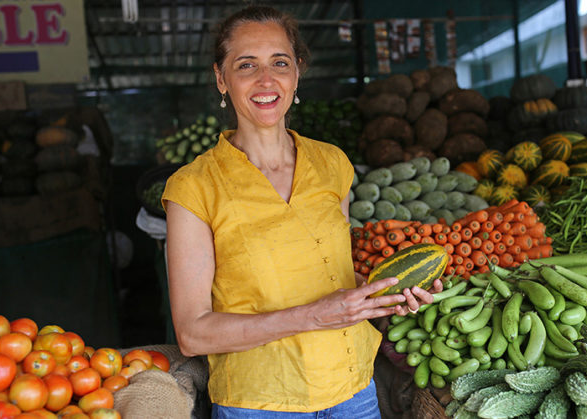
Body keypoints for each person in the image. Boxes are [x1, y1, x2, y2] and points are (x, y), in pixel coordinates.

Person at [162, 6, 441, 418]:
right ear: (221, 78)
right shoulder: (194, 186)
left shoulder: (332, 164)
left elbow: (328, 273)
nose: (266, 80)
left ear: (297, 73)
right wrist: (314, 316)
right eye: (246, 65)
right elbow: (192, 334)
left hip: (353, 390)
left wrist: (381, 295)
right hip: (259, 400)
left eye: (280, 62)